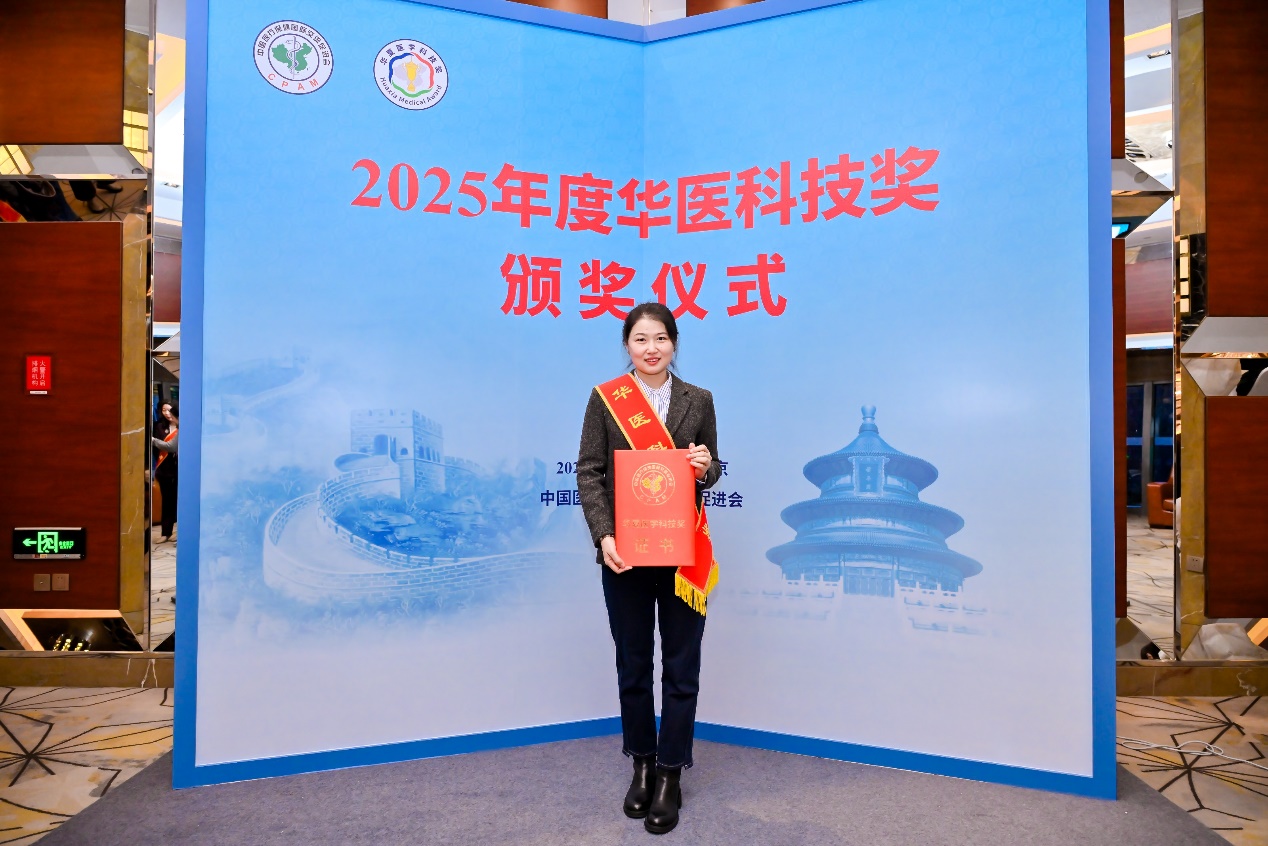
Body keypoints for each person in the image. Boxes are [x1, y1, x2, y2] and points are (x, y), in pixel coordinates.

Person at [577, 302, 721, 835]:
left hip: (681, 553)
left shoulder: (698, 399)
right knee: (633, 663)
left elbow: (711, 467)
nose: (651, 348)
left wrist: (705, 467)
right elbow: (589, 471)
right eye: (640, 339)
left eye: (661, 338)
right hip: (627, 553)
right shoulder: (606, 399)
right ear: (627, 345)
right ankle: (641, 763)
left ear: (674, 343)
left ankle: (670, 773)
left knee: (681, 667)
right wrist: (604, 535)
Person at [152, 402, 179, 541]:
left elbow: (171, 446)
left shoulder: (184, 427)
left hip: (179, 470)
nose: (168, 415)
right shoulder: (159, 426)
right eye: (164, 410)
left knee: (180, 501)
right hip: (165, 470)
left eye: (170, 412)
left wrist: (153, 440)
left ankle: (179, 531)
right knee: (167, 501)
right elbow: (156, 451)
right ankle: (166, 532)